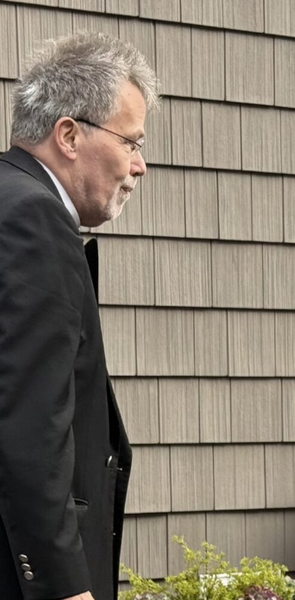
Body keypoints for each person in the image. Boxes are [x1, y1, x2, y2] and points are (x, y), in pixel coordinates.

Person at [0, 33, 158, 600]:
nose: (139, 166)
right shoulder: (33, 221)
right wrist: (65, 585)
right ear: (68, 135)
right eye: (131, 143)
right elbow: (29, 427)